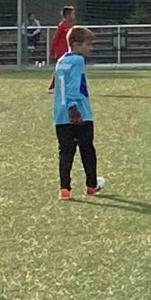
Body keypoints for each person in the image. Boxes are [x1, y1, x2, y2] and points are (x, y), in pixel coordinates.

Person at [53, 25, 102, 198]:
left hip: (60, 114)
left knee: (65, 151)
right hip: (79, 113)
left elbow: (60, 82)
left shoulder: (61, 61)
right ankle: (91, 185)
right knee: (87, 149)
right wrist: (73, 107)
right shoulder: (78, 60)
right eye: (88, 44)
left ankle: (64, 189)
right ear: (75, 43)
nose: (90, 48)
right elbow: (73, 85)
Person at [45, 4, 76, 89]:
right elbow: (55, 38)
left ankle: (56, 85)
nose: (74, 16)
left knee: (65, 68)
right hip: (62, 51)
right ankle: (55, 86)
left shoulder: (70, 25)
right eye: (73, 14)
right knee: (63, 68)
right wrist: (52, 50)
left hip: (68, 50)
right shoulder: (62, 25)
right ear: (67, 15)